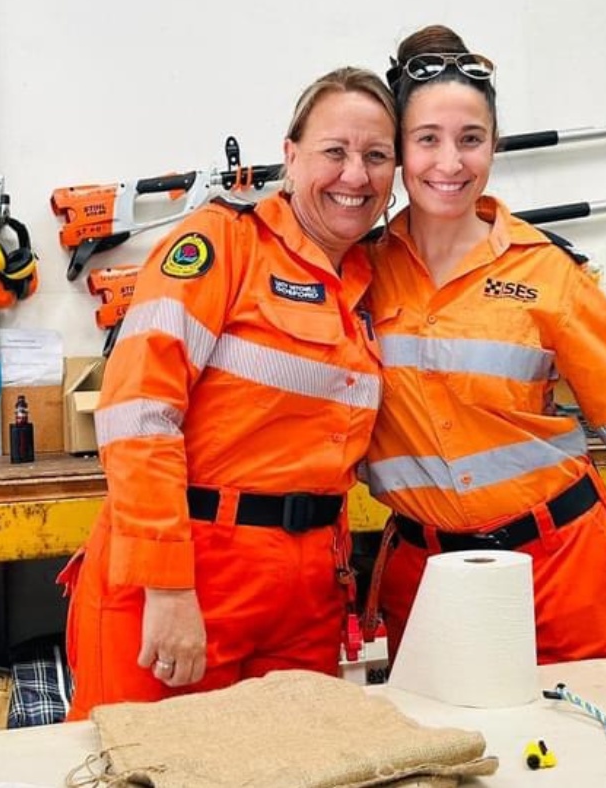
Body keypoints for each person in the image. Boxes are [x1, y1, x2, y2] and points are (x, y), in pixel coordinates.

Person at [363, 25, 606, 664]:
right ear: (398, 150)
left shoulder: (546, 272)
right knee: (452, 755)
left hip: (560, 564)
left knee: (582, 755)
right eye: (428, 140)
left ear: (494, 146)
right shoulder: (359, 274)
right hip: (428, 578)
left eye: (471, 140)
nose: (450, 164)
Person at [60, 66, 397, 718]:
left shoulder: (366, 280)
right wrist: (168, 589)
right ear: (292, 156)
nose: (355, 175)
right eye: (335, 151)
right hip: (192, 570)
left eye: (376, 156)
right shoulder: (219, 245)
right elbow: (139, 415)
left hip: (307, 591)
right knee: (150, 765)